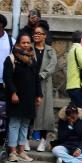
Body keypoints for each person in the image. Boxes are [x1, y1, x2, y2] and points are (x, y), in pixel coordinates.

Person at [2, 31, 41, 162]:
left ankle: (21, 150)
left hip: (29, 97)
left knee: (25, 124)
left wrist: (38, 95)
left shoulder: (32, 59)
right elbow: (7, 78)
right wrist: (13, 92)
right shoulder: (11, 59)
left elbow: (36, 78)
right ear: (18, 43)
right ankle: (12, 151)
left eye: (28, 42)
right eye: (23, 42)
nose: (25, 45)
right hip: (16, 96)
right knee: (14, 123)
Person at [31, 20, 58, 151]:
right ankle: (24, 139)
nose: (36, 35)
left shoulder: (50, 51)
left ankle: (43, 140)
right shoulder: (29, 48)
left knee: (44, 114)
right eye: (35, 33)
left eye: (39, 33)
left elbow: (52, 66)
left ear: (44, 36)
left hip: (44, 85)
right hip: (29, 84)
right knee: (29, 112)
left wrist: (42, 74)